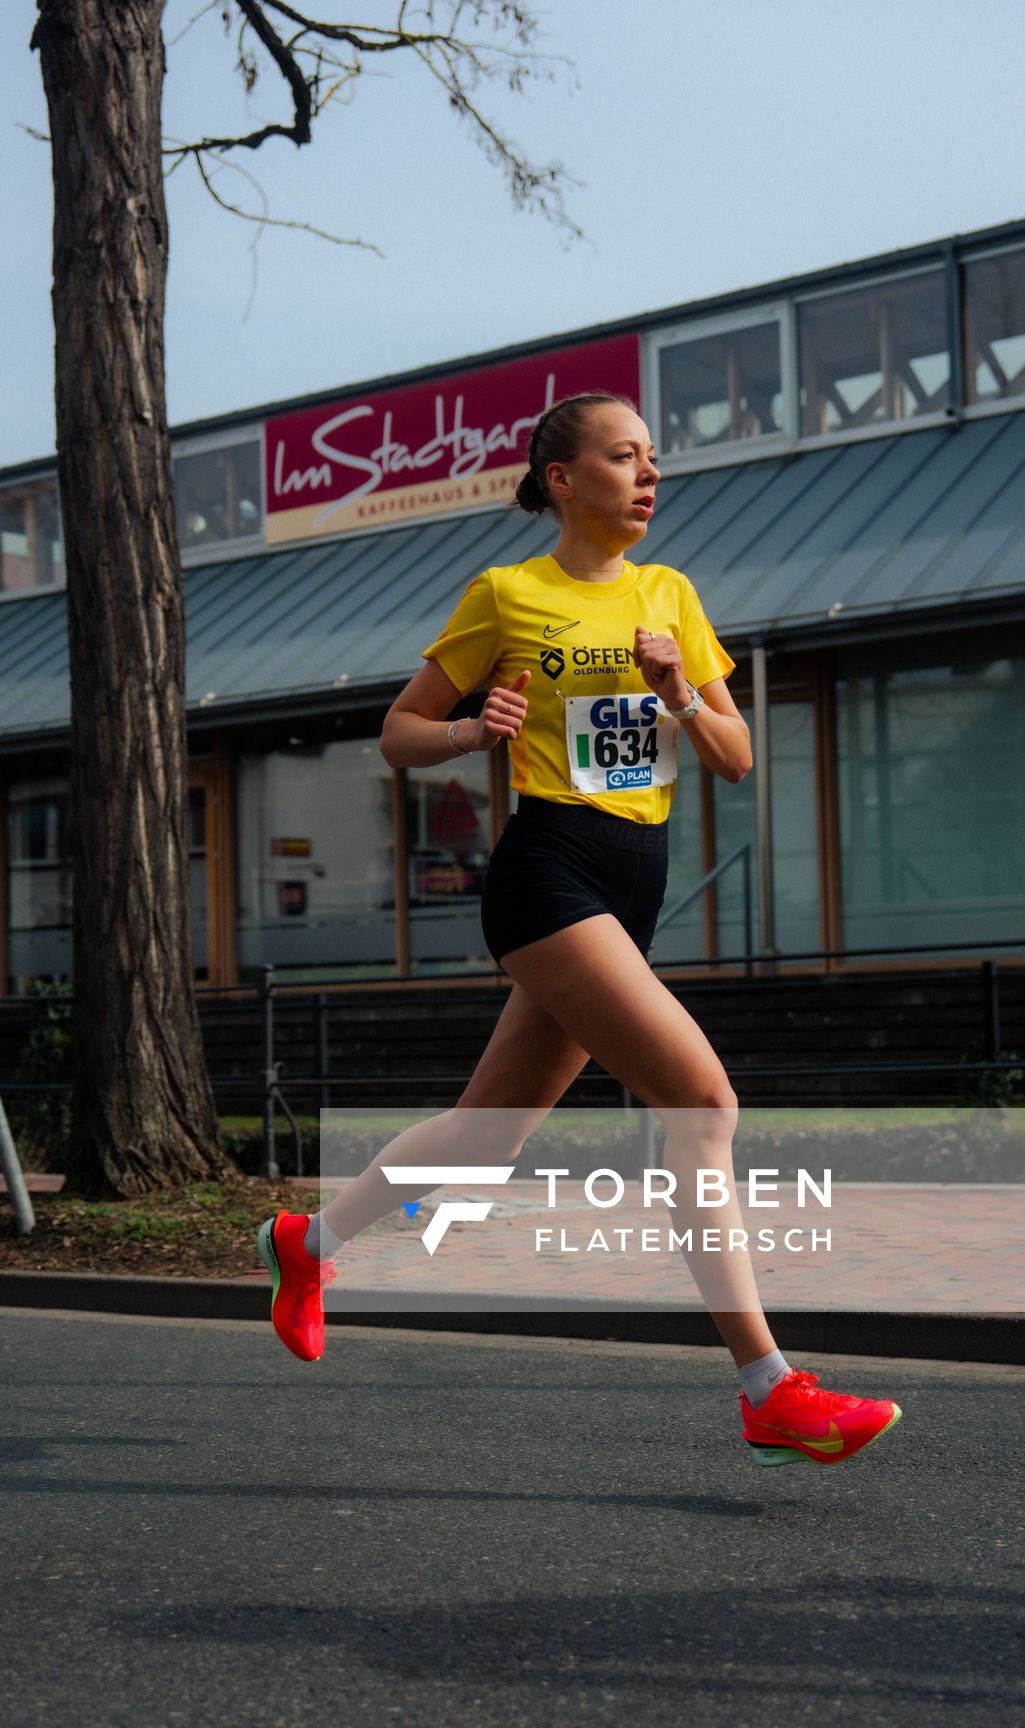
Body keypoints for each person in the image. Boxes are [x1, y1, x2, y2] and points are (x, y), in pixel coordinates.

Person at [257, 391, 901, 1468]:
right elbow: (399, 733)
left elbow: (735, 757)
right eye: (624, 456)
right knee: (703, 1103)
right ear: (562, 479)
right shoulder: (507, 594)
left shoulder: (669, 594)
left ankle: (307, 1242)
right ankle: (768, 1389)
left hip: (633, 880)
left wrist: (679, 690)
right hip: (548, 871)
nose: (650, 474)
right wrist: (473, 729)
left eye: (652, 457)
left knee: (487, 1136)